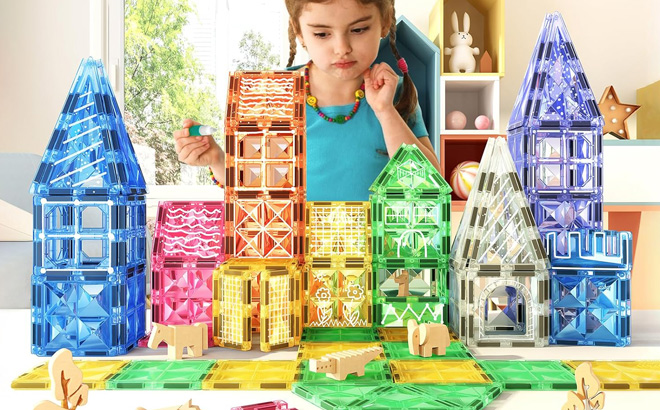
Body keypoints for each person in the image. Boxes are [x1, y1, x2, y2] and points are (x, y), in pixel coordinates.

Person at [173, 0, 441, 201]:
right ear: (298, 31)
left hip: (379, 272)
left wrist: (385, 111)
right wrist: (217, 159)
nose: (341, 47)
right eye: (322, 34)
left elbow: (429, 188)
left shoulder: (396, 94)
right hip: (298, 269)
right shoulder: (271, 95)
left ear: (385, 21)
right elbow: (254, 194)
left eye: (358, 29)